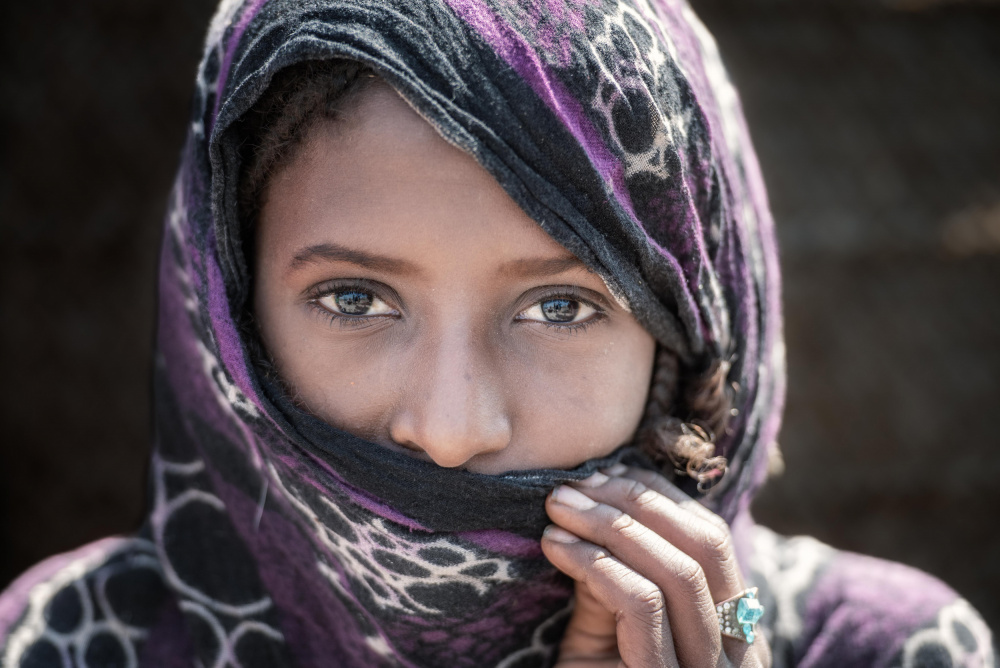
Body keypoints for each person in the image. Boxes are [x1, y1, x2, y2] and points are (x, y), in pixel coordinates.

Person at [0, 0, 994, 666]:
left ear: (693, 326)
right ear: (226, 308)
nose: (450, 427)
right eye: (353, 298)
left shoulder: (887, 647)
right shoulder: (70, 642)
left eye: (560, 306)